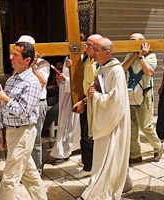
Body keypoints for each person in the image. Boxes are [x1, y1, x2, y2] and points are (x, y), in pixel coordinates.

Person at [78, 37, 131, 199]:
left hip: (113, 122)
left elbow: (117, 100)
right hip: (104, 119)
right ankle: (97, 185)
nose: (92, 52)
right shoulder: (101, 69)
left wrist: (97, 97)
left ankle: (102, 191)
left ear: (107, 52)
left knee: (111, 158)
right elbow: (99, 90)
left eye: (96, 49)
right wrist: (89, 97)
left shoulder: (116, 70)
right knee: (101, 159)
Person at [0, 41, 47, 200]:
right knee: (30, 174)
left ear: (27, 61)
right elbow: (4, 111)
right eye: (12, 53)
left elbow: (24, 112)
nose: (10, 57)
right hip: (11, 132)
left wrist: (6, 100)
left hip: (23, 133)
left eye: (16, 55)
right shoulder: (12, 79)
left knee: (10, 178)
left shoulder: (32, 82)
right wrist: (3, 132)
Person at [122, 33, 163, 163]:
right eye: (130, 40)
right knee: (132, 126)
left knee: (145, 125)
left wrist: (141, 57)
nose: (131, 42)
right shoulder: (129, 55)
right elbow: (123, 68)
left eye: (134, 41)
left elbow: (149, 72)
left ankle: (158, 146)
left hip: (144, 93)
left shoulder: (151, 56)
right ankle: (135, 155)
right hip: (130, 93)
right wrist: (134, 55)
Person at [16, 35, 50, 174]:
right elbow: (15, 79)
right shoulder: (20, 63)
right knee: (22, 139)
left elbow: (42, 83)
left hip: (38, 103)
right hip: (22, 103)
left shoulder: (43, 64)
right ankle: (23, 169)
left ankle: (37, 171)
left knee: (35, 139)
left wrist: (33, 66)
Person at [71, 34, 103, 178]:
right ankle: (88, 166)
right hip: (85, 101)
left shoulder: (101, 64)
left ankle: (95, 166)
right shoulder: (85, 59)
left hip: (96, 104)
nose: (85, 47)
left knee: (92, 136)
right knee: (84, 136)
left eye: (89, 45)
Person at [49, 58, 81, 164]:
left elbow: (82, 79)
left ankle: (66, 151)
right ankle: (63, 150)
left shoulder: (81, 57)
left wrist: (66, 79)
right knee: (65, 124)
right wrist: (61, 79)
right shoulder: (68, 58)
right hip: (65, 95)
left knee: (71, 125)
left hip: (75, 96)